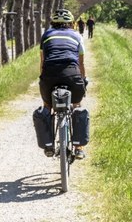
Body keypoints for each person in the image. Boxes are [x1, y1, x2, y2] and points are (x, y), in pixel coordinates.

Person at [39, 9, 88, 159]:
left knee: (47, 106)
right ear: (71, 24)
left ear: (52, 23)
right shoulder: (77, 36)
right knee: (76, 105)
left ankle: (48, 145)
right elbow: (81, 63)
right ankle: (78, 148)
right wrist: (83, 80)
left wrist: (42, 79)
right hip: (72, 75)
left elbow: (42, 62)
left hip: (49, 76)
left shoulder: (46, 35)